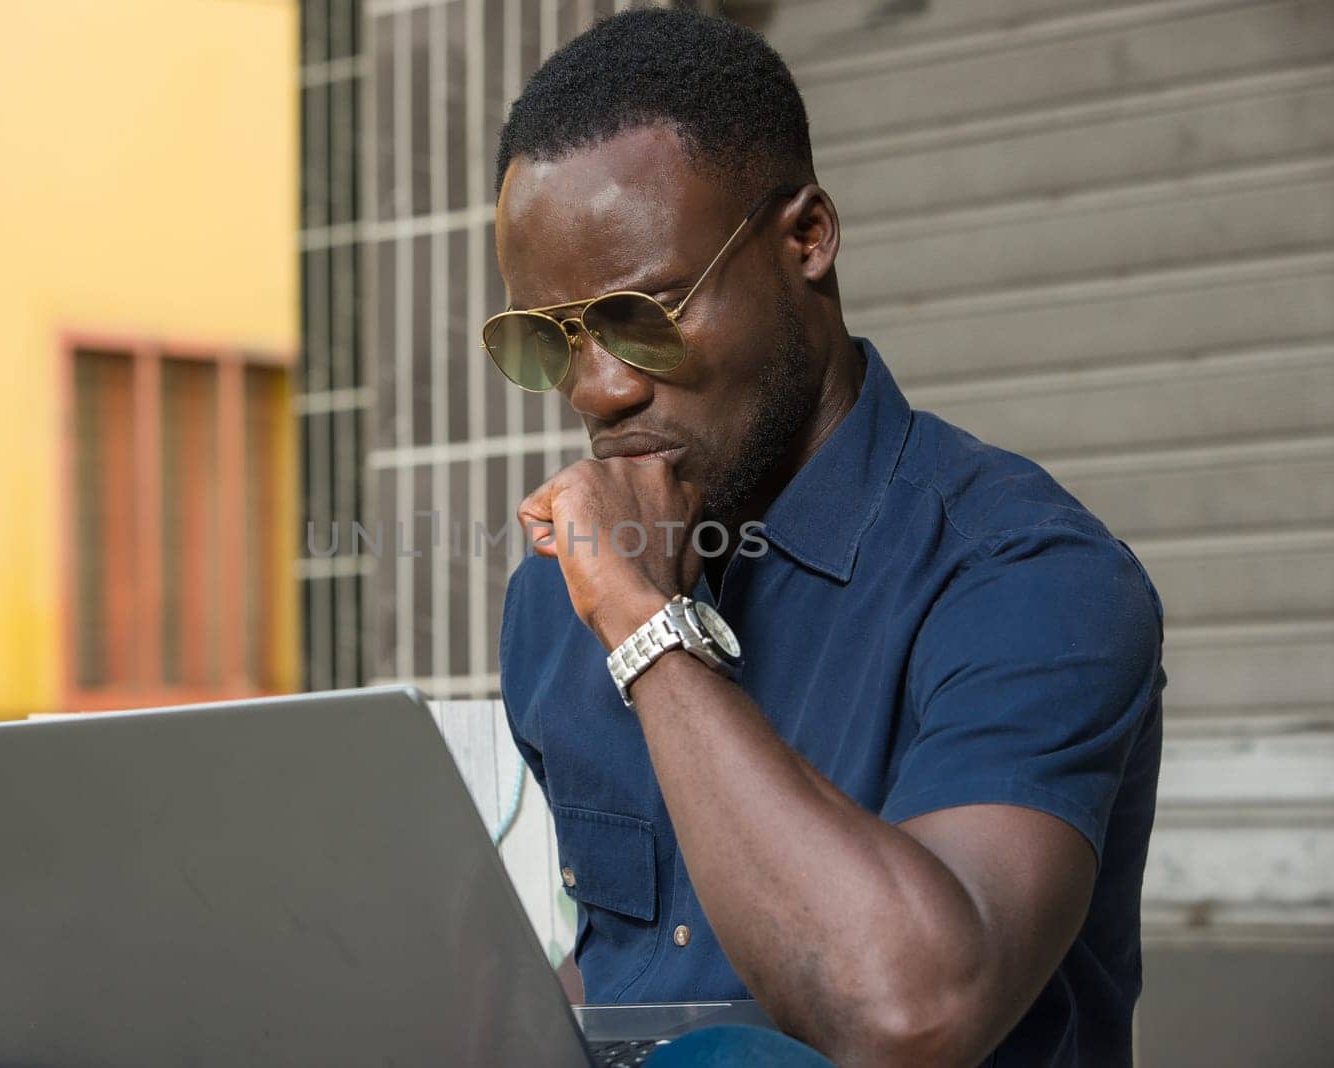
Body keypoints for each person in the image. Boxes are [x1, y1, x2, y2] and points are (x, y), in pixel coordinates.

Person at [490, 8, 1163, 1067]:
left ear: (805, 238)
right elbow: (638, 966)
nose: (601, 391)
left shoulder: (1029, 575)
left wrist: (647, 633)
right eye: (549, 339)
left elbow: (908, 1013)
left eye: (644, 312)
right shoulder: (555, 598)